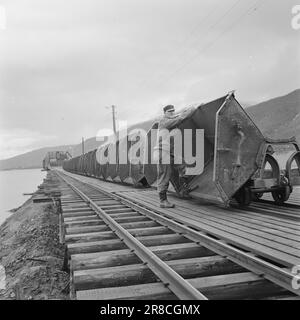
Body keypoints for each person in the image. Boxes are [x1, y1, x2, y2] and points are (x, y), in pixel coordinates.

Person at [154, 104, 195, 208]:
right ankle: (163, 201)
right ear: (165, 113)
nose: (172, 112)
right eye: (169, 111)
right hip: (162, 152)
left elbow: (178, 117)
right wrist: (191, 109)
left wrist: (184, 111)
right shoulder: (164, 121)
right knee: (164, 176)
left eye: (173, 111)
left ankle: (183, 189)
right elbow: (180, 118)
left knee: (182, 164)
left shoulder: (170, 120)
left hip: (170, 152)